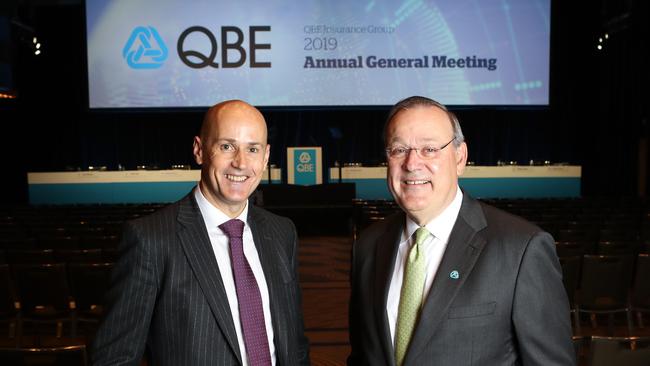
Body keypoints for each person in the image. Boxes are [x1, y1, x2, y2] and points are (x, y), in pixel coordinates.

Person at [347, 96, 575, 366]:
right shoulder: (368, 246)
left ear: (460, 157)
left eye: (429, 149)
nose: (411, 163)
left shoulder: (522, 249)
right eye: (398, 150)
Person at [92, 100, 310, 366]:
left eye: (252, 149)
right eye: (227, 146)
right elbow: (114, 359)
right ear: (199, 150)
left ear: (265, 157)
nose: (240, 163)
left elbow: (295, 342)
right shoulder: (150, 239)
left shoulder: (282, 233)